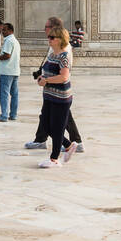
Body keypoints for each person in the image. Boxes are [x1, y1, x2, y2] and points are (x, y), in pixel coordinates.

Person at [25, 18, 85, 153]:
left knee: (56, 122)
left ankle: (69, 145)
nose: (45, 30)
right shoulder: (53, 45)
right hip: (51, 91)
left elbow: (64, 74)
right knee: (48, 117)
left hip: (58, 91)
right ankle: (44, 140)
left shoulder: (65, 49)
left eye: (47, 27)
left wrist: (47, 80)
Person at [34, 26, 75, 168]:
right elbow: (47, 71)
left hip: (61, 98)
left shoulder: (64, 56)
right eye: (49, 37)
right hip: (49, 96)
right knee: (45, 125)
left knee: (57, 128)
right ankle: (68, 146)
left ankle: (54, 159)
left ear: (60, 40)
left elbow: (64, 77)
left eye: (52, 38)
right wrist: (41, 78)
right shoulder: (52, 55)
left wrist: (47, 81)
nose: (49, 40)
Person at [0, 22, 20, 122]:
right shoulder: (15, 41)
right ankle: (13, 115)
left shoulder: (8, 41)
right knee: (14, 94)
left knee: (4, 94)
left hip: (7, 72)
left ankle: (4, 116)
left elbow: (7, 55)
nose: (2, 32)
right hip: (15, 71)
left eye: (4, 30)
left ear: (10, 31)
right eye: (2, 30)